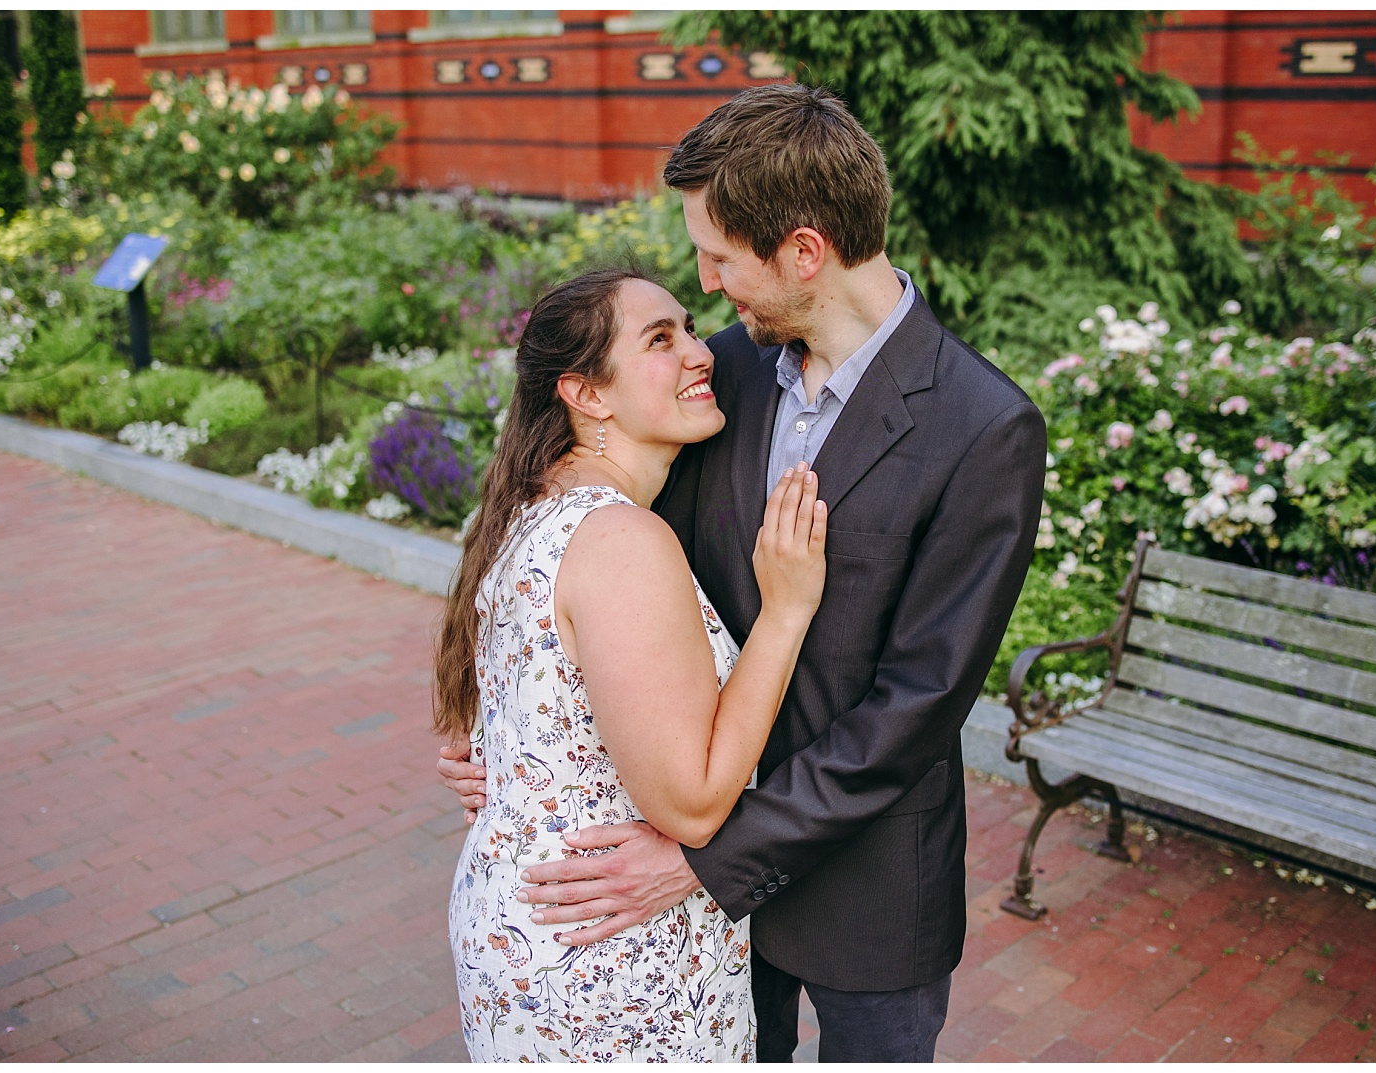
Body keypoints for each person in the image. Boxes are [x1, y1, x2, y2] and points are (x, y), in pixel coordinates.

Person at [441, 84, 1046, 1061]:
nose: (707, 283)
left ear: (803, 252)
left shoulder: (983, 427)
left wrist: (707, 857)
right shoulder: (707, 376)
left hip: (861, 887)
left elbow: (916, 707)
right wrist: (506, 736)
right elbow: (582, 550)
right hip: (683, 911)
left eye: (720, 256)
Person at [437, 266, 829, 1061]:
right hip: (609, 962)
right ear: (586, 394)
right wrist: (785, 612)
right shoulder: (620, 541)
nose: (699, 352)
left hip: (536, 931)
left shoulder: (528, 508)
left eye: (689, 327)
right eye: (660, 339)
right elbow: (690, 805)